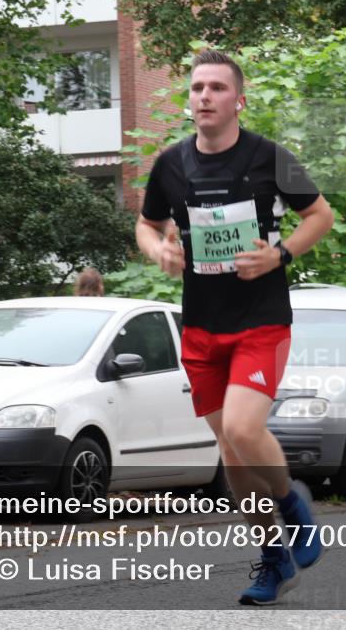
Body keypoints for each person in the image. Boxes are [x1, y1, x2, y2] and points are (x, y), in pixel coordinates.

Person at [135, 50, 334, 604]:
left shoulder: (271, 157)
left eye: (217, 87)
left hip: (260, 322)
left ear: (238, 100)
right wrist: (159, 251)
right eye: (197, 87)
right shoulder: (170, 164)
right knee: (231, 451)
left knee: (245, 432)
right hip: (201, 327)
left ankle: (292, 506)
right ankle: (273, 559)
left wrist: (280, 254)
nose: (204, 96)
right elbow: (147, 225)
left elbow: (320, 215)